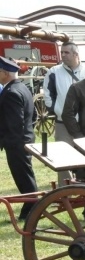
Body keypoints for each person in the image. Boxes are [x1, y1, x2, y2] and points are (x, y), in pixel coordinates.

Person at [0, 56, 38, 222]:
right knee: (25, 175)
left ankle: (32, 207)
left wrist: (10, 143)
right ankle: (31, 206)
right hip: (23, 140)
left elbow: (15, 123)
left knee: (23, 177)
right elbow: (34, 115)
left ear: (5, 73)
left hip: (17, 143)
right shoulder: (22, 88)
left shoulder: (11, 93)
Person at [43, 42, 85, 143]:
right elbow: (48, 94)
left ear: (76, 54)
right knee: (64, 155)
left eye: (66, 52)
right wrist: (57, 110)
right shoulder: (53, 72)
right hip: (62, 122)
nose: (63, 55)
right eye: (62, 52)